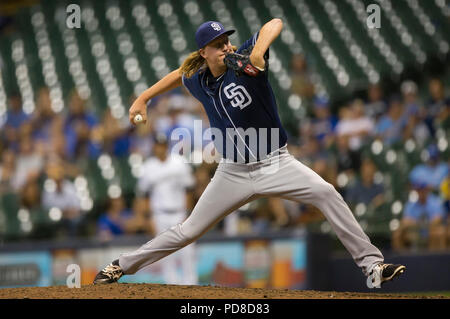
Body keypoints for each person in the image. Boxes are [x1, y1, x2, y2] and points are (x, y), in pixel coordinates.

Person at [94, 19, 405, 287]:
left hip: (276, 163)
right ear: (204, 53)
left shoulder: (246, 61)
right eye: (217, 45)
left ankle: (372, 265)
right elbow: (180, 73)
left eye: (226, 41)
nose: (226, 47)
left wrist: (257, 51)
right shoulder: (199, 80)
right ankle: (121, 265)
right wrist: (143, 98)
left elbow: (275, 22)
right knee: (188, 230)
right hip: (232, 172)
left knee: (326, 192)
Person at [132, 133, 197, 285]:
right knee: (164, 252)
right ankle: (172, 285)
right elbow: (144, 195)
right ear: (154, 147)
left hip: (179, 213)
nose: (160, 148)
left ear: (166, 146)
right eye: (157, 145)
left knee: (187, 251)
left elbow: (189, 189)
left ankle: (191, 283)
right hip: (159, 214)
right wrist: (148, 218)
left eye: (162, 145)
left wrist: (188, 213)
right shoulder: (148, 167)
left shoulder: (179, 163)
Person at [392, 181, 446, 251]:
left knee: (439, 232)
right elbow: (405, 221)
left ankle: (436, 260)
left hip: (430, 231)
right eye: (419, 190)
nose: (421, 192)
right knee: (398, 234)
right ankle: (403, 259)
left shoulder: (435, 202)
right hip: (415, 232)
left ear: (427, 190)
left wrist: (419, 224)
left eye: (423, 190)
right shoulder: (411, 205)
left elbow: (438, 220)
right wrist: (419, 225)